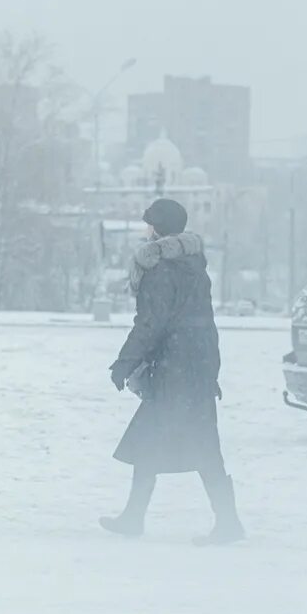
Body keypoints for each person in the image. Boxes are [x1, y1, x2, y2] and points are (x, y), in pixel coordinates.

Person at [102, 198, 245, 546]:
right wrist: (211, 370)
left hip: (172, 372)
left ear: (158, 228)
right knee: (172, 442)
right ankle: (138, 517)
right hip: (193, 368)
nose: (145, 231)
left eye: (148, 224)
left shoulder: (159, 270)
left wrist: (125, 363)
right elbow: (206, 324)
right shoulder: (195, 267)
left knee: (186, 445)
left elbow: (151, 323)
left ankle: (226, 524)